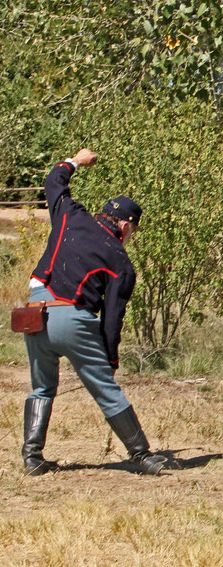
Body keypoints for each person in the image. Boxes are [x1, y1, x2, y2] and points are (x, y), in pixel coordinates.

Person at [21, 148, 167, 476]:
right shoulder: (120, 262)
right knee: (105, 389)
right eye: (134, 230)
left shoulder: (70, 214)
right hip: (70, 317)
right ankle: (141, 455)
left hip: (33, 312)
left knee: (42, 387)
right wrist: (110, 361)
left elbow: (53, 180)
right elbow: (111, 320)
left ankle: (32, 457)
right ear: (127, 225)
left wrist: (75, 160)